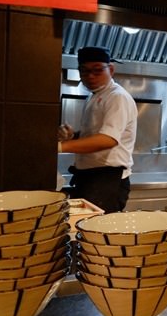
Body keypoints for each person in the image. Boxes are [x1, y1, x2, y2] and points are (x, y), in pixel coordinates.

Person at [57, 47, 138, 213]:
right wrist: (73, 136)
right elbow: (96, 134)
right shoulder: (95, 96)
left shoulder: (117, 97)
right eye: (84, 71)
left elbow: (108, 139)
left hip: (107, 180)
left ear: (111, 69)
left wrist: (59, 148)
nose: (90, 76)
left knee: (96, 233)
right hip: (90, 178)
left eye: (97, 70)